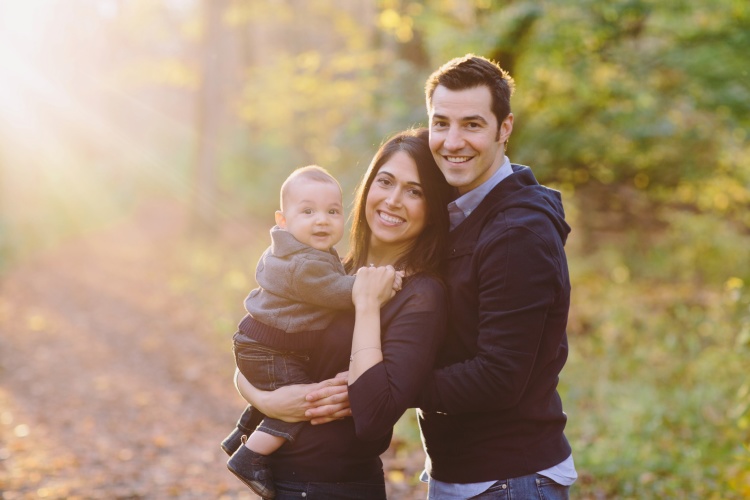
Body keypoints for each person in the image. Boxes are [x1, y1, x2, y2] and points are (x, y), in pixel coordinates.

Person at [224, 128, 453, 499]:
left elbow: (373, 416)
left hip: (336, 485)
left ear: (431, 207)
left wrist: (366, 303)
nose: (394, 200)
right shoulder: (336, 272)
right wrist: (266, 401)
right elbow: (266, 352)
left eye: (415, 191)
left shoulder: (420, 294)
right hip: (285, 480)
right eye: (386, 181)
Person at [414, 54, 577, 498]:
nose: (452, 141)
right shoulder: (460, 212)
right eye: (441, 123)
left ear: (504, 129)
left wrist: (386, 383)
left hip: (508, 481)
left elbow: (498, 377)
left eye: (472, 125)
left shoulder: (516, 233)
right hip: (466, 475)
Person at [225, 165, 402, 497]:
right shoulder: (304, 264)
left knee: (282, 389)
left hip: (263, 342)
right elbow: (339, 291)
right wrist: (379, 283)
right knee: (302, 401)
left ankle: (241, 434)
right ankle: (249, 456)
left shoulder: (301, 251)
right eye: (308, 211)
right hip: (269, 348)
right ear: (283, 220)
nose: (322, 220)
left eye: (332, 211)